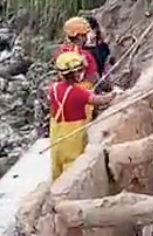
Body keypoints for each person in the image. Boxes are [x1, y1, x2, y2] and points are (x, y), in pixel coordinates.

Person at [49, 52, 117, 180]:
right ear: (73, 73)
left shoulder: (54, 88)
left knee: (57, 161)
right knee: (73, 163)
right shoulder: (78, 93)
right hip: (74, 133)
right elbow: (99, 100)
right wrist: (114, 94)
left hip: (57, 131)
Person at [84, 15, 112, 92]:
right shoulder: (79, 51)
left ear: (95, 30)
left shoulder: (103, 47)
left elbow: (106, 68)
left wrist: (107, 83)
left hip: (96, 86)